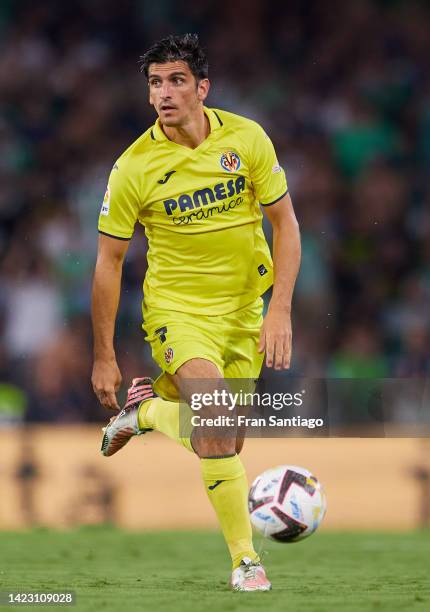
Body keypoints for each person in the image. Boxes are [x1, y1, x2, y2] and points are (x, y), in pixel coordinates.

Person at [91, 33, 301, 592]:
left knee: (223, 442)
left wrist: (279, 308)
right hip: (178, 312)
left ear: (202, 88)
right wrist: (104, 356)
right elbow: (109, 263)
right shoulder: (133, 168)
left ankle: (150, 416)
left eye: (176, 80)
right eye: (155, 82)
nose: (164, 93)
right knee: (213, 416)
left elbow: (286, 225)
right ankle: (246, 562)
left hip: (244, 313)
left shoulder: (247, 139)